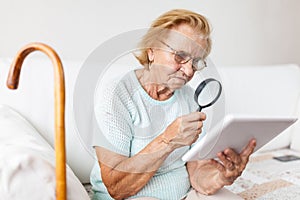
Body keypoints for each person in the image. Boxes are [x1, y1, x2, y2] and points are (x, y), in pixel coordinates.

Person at [90, 9, 256, 200]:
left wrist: (222, 177)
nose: (187, 70)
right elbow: (116, 187)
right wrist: (168, 140)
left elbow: (196, 173)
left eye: (196, 62)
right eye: (180, 56)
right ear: (152, 50)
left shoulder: (189, 98)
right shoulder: (116, 95)